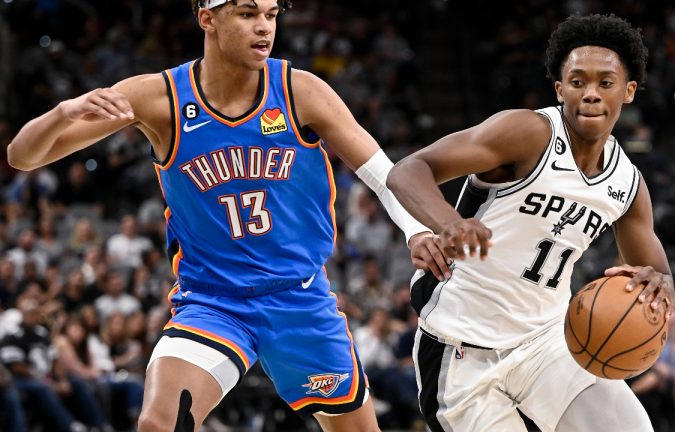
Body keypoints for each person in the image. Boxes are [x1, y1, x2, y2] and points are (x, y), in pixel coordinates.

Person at [7, 1, 450, 431]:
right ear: (207, 18)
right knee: (160, 422)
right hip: (213, 301)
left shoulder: (300, 90)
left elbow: (382, 174)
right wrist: (62, 112)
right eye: (247, 13)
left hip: (299, 298)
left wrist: (414, 229)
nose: (264, 27)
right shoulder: (159, 98)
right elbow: (22, 156)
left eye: (271, 14)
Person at [387, 13, 675, 432]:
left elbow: (658, 274)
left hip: (548, 343)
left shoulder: (626, 184)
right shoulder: (528, 133)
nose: (591, 94)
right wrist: (449, 222)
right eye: (577, 82)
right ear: (560, 89)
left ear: (628, 91)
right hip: (461, 346)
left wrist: (662, 287)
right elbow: (408, 171)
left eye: (605, 83)